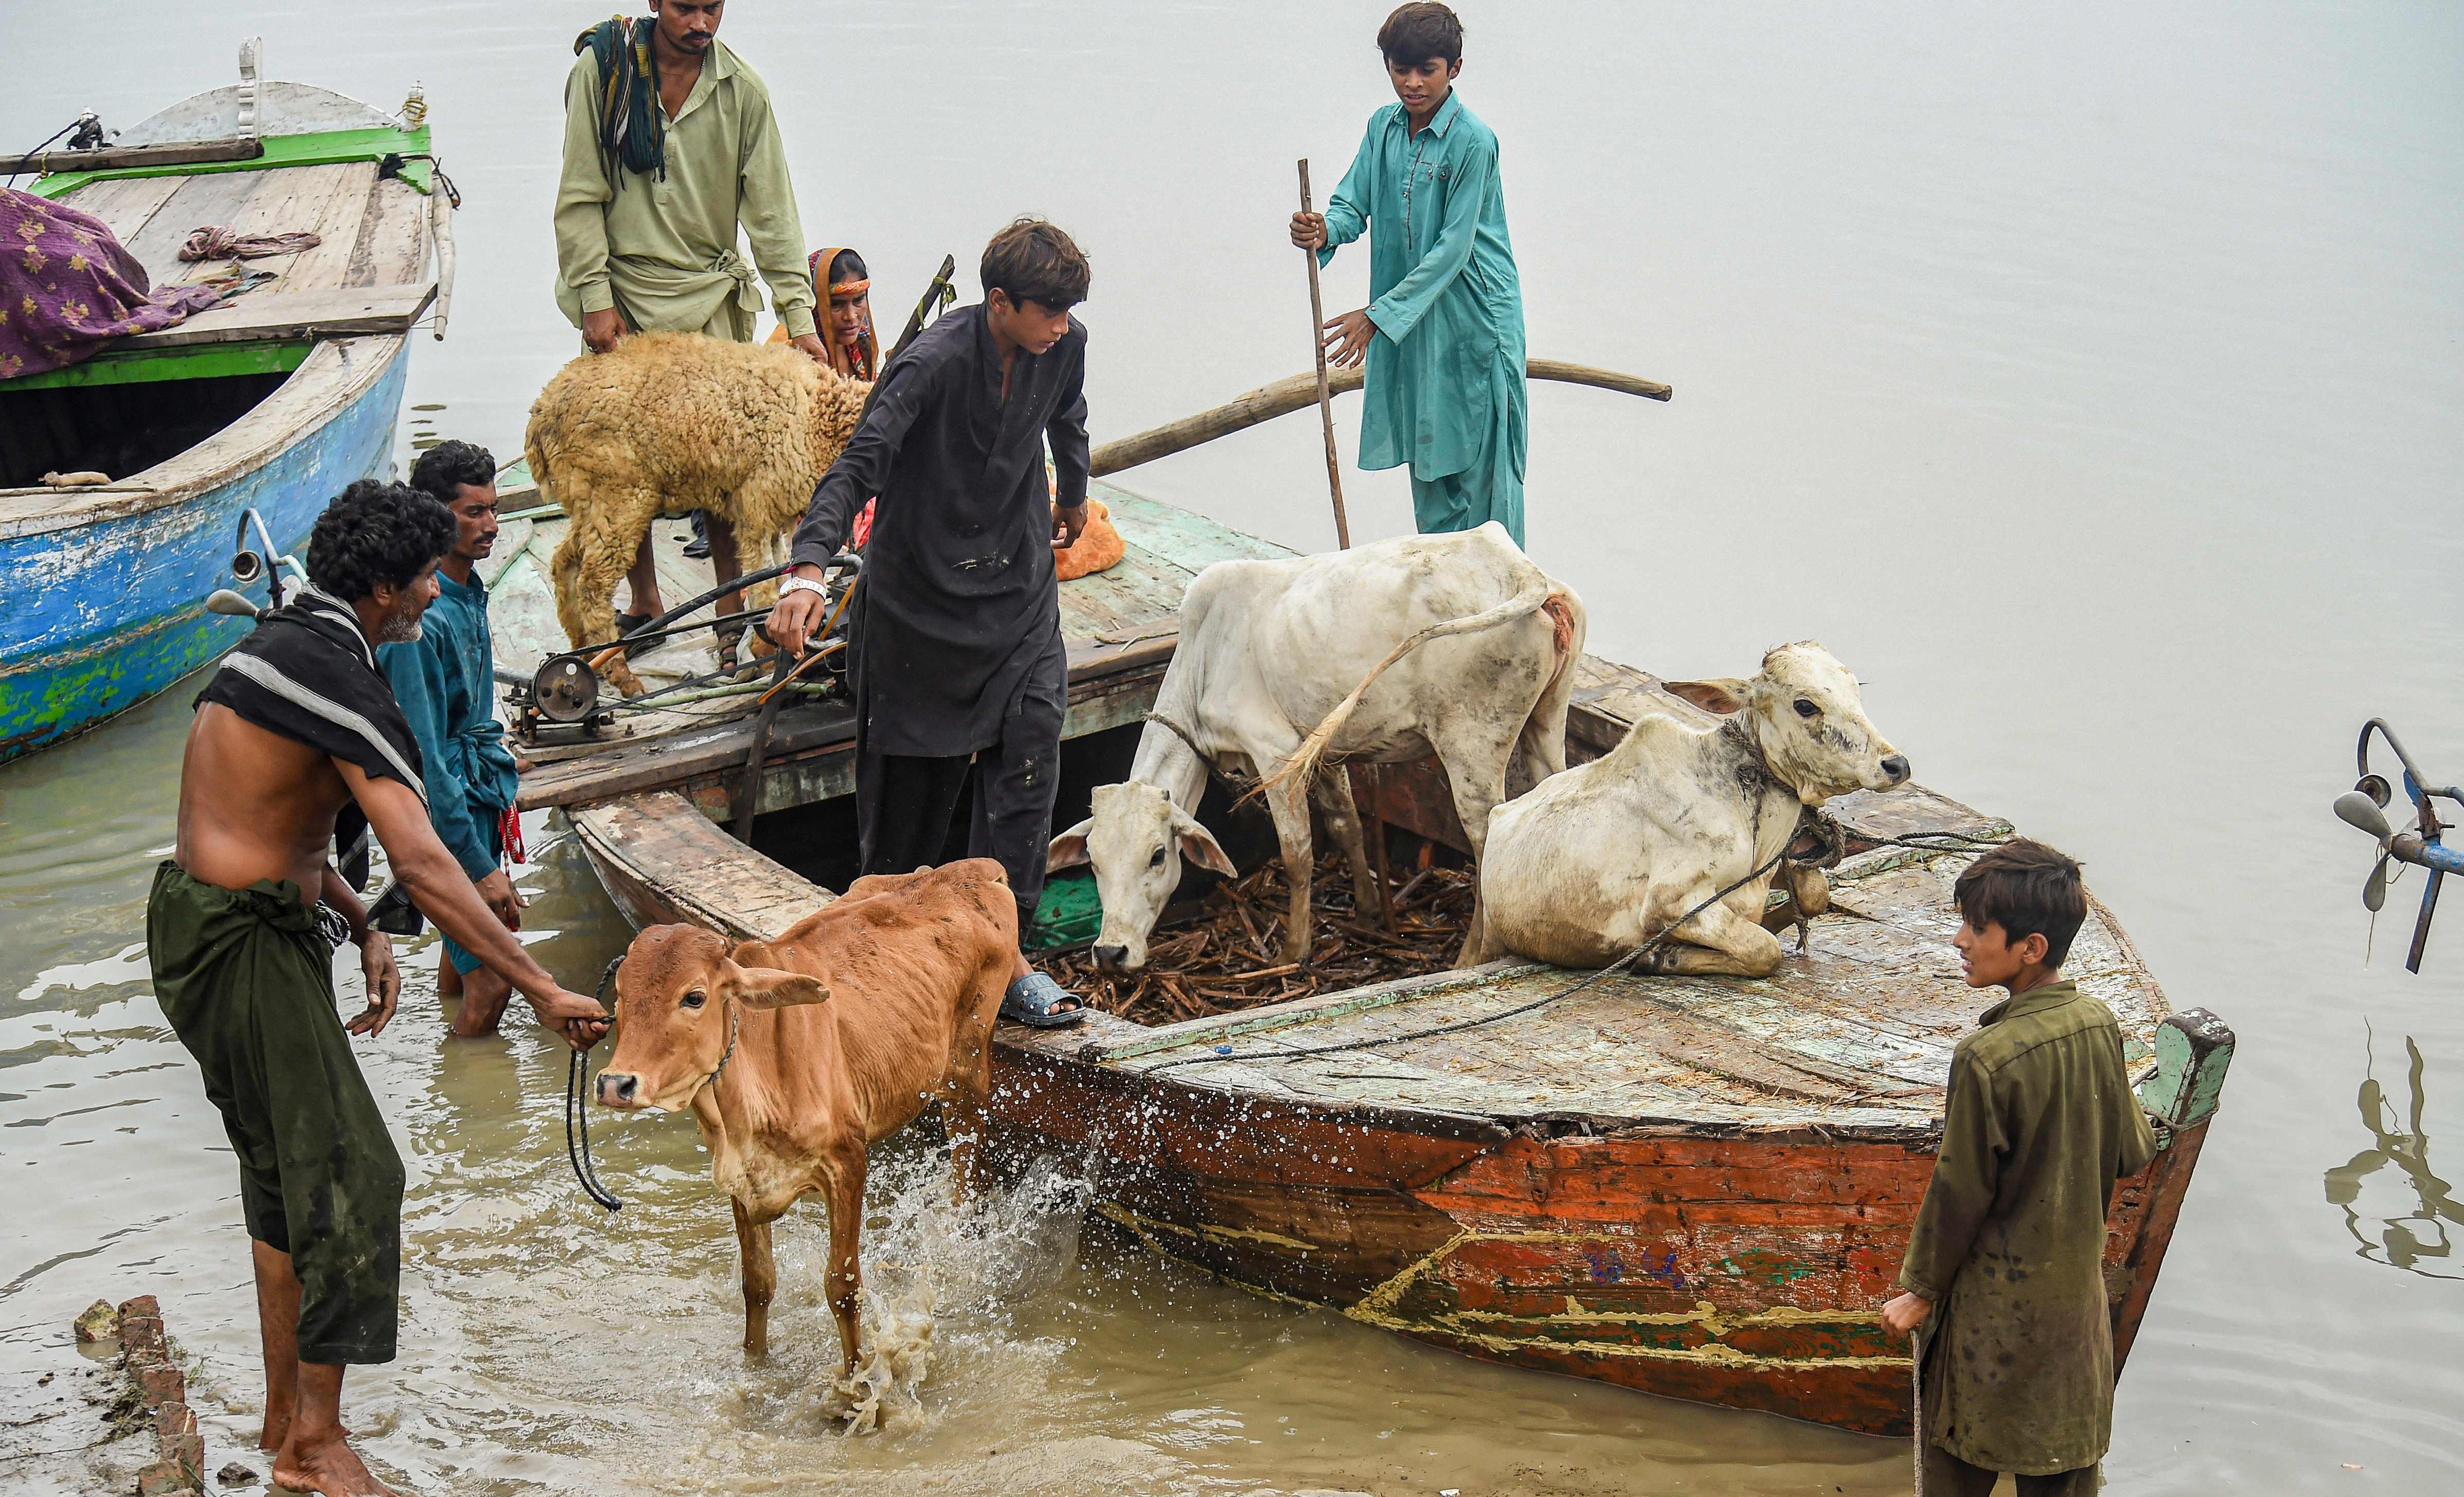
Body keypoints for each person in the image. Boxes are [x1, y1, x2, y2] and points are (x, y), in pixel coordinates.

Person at [149, 480, 605, 1497]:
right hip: (244, 947)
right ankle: (316, 1450)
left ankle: (283, 1425)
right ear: (388, 590)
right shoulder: (345, 682)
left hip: (206, 921)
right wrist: (534, 985)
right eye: (430, 583)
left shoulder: (281, 640)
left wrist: (357, 923)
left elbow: (266, 810)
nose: (438, 600)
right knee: (359, 1180)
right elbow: (431, 863)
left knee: (281, 1180)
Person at [769, 219, 1093, 1027]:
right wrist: (807, 568)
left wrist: (1075, 494)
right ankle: (881, 968)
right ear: (1000, 303)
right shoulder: (931, 365)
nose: (1060, 325)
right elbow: (857, 468)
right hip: (919, 613)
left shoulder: (1064, 343)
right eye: (1046, 310)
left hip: (1018, 597)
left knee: (1028, 766)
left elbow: (1070, 419)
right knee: (907, 825)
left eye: (1067, 311)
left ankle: (1007, 955)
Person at [1881, 840, 2158, 1496]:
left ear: (2029, 948)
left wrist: (1918, 1289)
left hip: (1990, 1324)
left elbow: (1959, 1193)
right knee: (2062, 1471)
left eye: (1976, 928)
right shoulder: (2097, 1024)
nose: (1959, 940)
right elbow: (2133, 1151)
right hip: (2073, 1326)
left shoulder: (1984, 1057)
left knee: (1955, 1467)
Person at [553, 0, 825, 621]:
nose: (699, 23)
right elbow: (578, 197)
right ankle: (646, 600)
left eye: (712, 8)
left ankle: (732, 608)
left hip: (710, 301)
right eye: (684, 7)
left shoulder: (742, 93)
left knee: (726, 463)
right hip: (624, 296)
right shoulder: (604, 73)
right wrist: (594, 300)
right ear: (653, 2)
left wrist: (800, 320)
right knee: (625, 460)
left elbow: (774, 218)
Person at [1290, 2, 1529, 549]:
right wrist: (1323, 229)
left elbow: (1451, 250)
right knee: (1430, 454)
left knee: (1484, 476)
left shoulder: (1473, 140)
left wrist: (1376, 316)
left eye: (1427, 70)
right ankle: (1447, 605)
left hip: (1475, 321)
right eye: (1401, 69)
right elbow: (1353, 205)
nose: (1412, 83)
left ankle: (1507, 607)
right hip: (1415, 321)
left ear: (1455, 69)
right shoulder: (1383, 128)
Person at [379, 440, 526, 1037]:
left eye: (492, 509)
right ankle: (473, 1111)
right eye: (473, 513)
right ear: (436, 518)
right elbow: (425, 760)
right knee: (493, 979)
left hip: (476, 795)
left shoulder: (465, 590)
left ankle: (451, 1062)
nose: (491, 525)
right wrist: (473, 863)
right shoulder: (421, 620)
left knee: (464, 960)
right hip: (448, 815)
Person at [772, 246, 884, 547]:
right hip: (796, 479)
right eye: (837, 304)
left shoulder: (862, 345)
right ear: (814, 304)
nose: (851, 317)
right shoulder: (787, 355)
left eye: (858, 301)